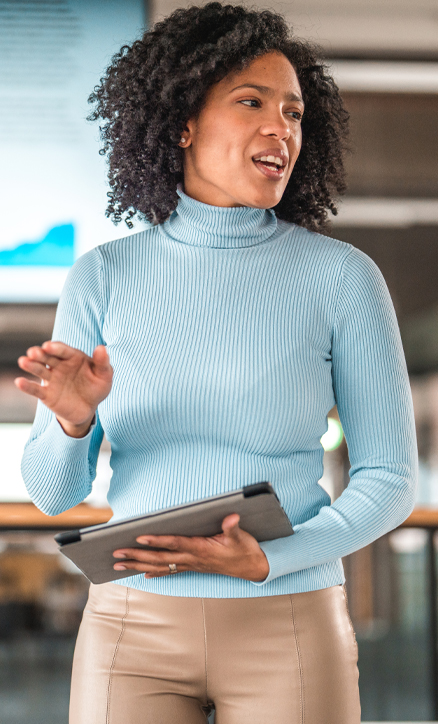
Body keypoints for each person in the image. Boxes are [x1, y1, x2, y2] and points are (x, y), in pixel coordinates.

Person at [16, 3, 418, 723]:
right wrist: (73, 421)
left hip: (290, 618)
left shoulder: (341, 277)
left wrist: (273, 559)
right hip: (130, 629)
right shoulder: (102, 275)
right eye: (252, 102)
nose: (281, 128)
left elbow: (390, 478)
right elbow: (51, 494)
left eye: (294, 112)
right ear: (182, 124)